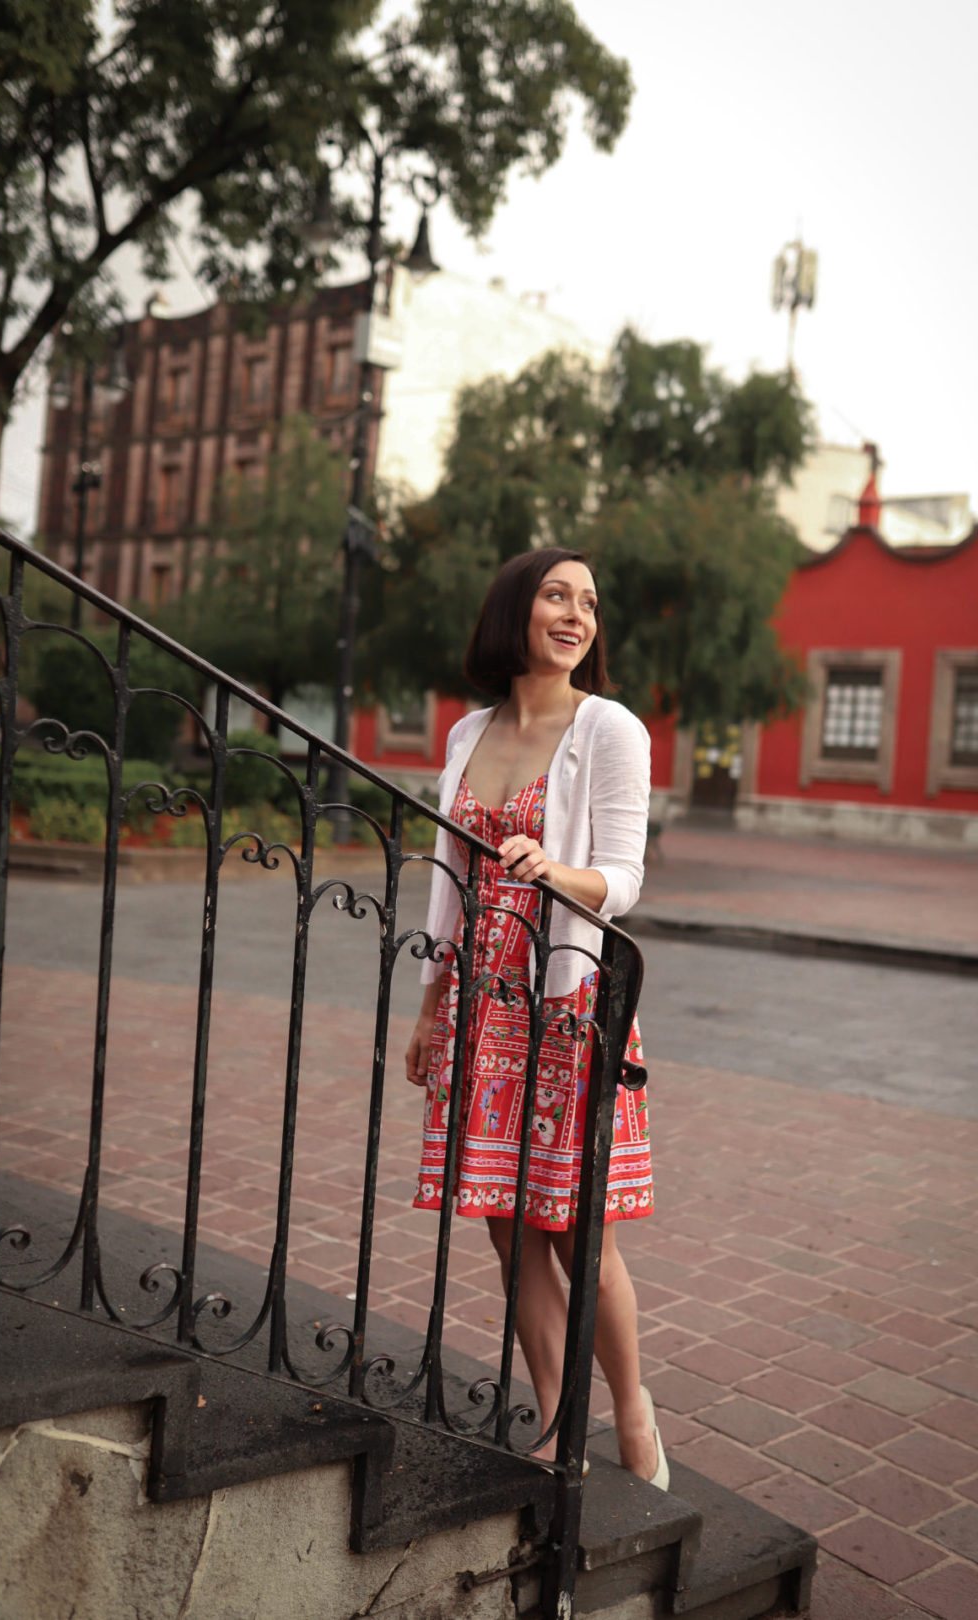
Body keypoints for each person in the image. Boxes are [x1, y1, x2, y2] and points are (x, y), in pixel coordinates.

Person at [405, 547, 667, 1489]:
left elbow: (626, 877)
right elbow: (448, 875)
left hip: (565, 1002)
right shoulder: (467, 730)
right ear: (515, 607)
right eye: (556, 595)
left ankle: (630, 1406)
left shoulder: (610, 729)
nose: (576, 614)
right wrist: (434, 1003)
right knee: (506, 1229)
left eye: (590, 601)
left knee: (573, 1230)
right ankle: (559, 1418)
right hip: (480, 1000)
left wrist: (562, 873)